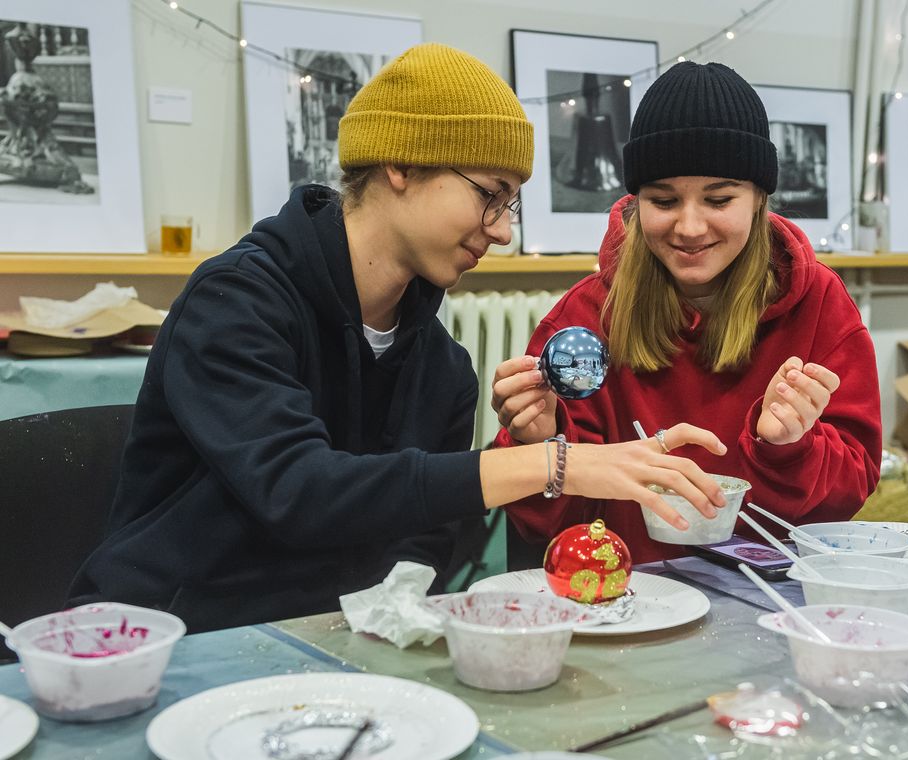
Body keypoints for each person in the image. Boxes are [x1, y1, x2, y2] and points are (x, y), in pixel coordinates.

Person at [70, 44, 727, 633]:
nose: (502, 231)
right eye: (490, 194)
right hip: (168, 646)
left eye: (511, 204)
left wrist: (400, 608)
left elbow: (427, 541)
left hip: (335, 649)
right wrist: (558, 463)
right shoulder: (236, 302)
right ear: (401, 165)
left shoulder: (443, 368)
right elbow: (300, 491)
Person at [492, 61, 882, 563]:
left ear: (760, 198)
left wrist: (792, 448)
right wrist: (541, 441)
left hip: (772, 600)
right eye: (664, 200)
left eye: (719, 199)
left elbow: (851, 491)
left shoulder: (819, 303)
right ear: (635, 202)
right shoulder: (587, 316)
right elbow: (544, 525)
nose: (690, 227)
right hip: (629, 598)